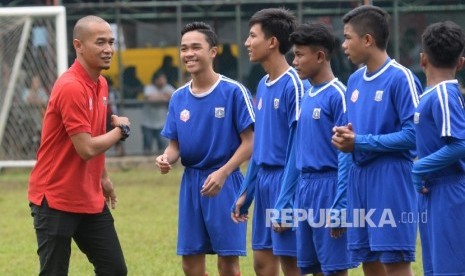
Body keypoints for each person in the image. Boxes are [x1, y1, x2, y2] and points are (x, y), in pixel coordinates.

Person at [28, 15, 130, 276]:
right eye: (100, 42)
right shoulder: (71, 87)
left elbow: (97, 131)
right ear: (78, 45)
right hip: (55, 199)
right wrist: (120, 131)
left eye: (111, 42)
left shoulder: (102, 83)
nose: (108, 49)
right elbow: (86, 148)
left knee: (114, 269)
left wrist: (103, 178)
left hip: (89, 197)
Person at [155, 22, 254, 276]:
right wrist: (167, 158)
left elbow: (251, 142)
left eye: (196, 47)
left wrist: (223, 172)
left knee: (228, 263)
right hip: (191, 184)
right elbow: (174, 145)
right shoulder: (178, 97)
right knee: (190, 262)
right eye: (184, 48)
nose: (189, 53)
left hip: (226, 182)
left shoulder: (233, 91)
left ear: (212, 52)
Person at [331, 5, 422, 276]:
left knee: (394, 262)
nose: (344, 45)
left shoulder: (401, 78)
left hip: (391, 179)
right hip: (360, 181)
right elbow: (353, 137)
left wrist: (360, 142)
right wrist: (345, 140)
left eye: (348, 37)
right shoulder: (355, 80)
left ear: (368, 40)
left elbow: (414, 135)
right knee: (369, 261)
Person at [273, 22, 358, 276]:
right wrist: (284, 200)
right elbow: (295, 153)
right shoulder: (306, 94)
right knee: (312, 267)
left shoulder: (338, 95)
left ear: (320, 56)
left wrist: (341, 204)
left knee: (334, 268)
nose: (294, 61)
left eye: (299, 55)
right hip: (305, 189)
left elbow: (346, 154)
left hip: (329, 187)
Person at [231, 8, 309, 276]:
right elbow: (260, 144)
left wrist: (286, 198)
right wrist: (246, 191)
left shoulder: (294, 84)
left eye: (252, 36)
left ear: (272, 42)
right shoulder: (263, 84)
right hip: (264, 182)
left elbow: (298, 147)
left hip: (286, 183)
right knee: (262, 264)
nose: (247, 43)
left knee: (291, 264)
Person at [412, 20, 465, 276]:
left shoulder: (445, 93)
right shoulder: (429, 95)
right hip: (432, 192)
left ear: (422, 60)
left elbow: (460, 143)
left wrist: (419, 167)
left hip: (450, 191)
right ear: (461, 62)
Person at [141, 71, 175, 155]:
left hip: (162, 123)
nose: (163, 81)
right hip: (147, 122)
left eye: (164, 79)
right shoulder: (149, 87)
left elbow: (174, 98)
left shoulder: (168, 87)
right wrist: (164, 96)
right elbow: (151, 99)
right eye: (161, 79)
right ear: (156, 80)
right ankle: (146, 164)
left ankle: (162, 162)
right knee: (147, 145)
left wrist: (158, 96)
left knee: (162, 146)